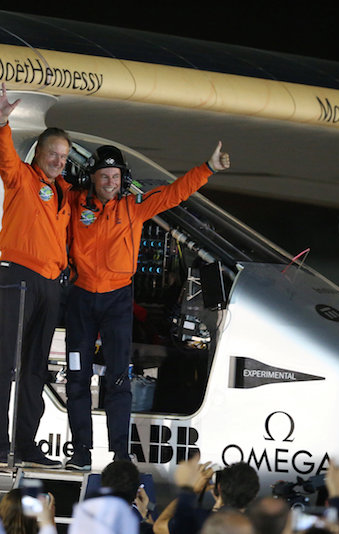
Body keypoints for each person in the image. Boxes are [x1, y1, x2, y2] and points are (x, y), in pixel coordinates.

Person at [64, 143, 230, 469]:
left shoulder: (133, 207)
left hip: (116, 302)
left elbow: (174, 194)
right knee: (76, 379)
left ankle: (120, 457)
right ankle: (80, 453)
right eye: (104, 176)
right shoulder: (73, 202)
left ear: (123, 179)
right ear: (92, 177)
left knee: (118, 380)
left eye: (115, 176)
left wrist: (207, 168)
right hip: (80, 300)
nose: (110, 182)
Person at [0, 82, 72, 468]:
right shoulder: (20, 177)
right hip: (17, 276)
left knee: (36, 367)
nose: (58, 161)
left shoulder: (66, 193)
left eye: (64, 157)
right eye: (53, 153)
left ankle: (26, 444)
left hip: (50, 285)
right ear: (38, 153)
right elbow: (4, 158)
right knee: (8, 363)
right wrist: (2, 122)